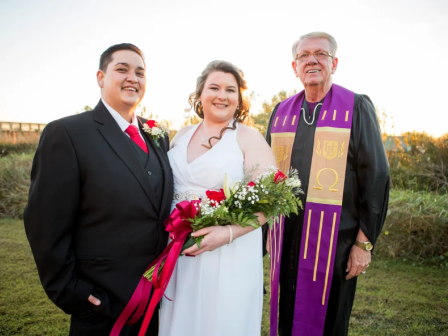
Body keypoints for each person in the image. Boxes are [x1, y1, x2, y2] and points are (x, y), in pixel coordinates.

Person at [24, 43, 173, 336]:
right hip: (102, 302)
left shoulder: (158, 135)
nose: (133, 78)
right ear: (100, 77)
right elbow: (45, 223)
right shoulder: (67, 133)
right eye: (122, 69)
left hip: (157, 300)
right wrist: (73, 292)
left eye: (140, 73)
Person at [265, 32, 390, 336]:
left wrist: (363, 243)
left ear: (334, 62)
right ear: (295, 67)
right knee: (287, 318)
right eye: (304, 55)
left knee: (330, 322)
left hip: (337, 244)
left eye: (320, 53)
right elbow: (265, 177)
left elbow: (376, 178)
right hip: (287, 240)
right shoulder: (281, 113)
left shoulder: (356, 107)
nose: (312, 60)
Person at [159, 60, 276, 336]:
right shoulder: (181, 134)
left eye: (230, 90)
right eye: (214, 87)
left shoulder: (249, 138)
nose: (222, 95)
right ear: (200, 95)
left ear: (239, 99)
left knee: (221, 322)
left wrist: (228, 233)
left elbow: (271, 200)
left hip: (228, 252)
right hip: (179, 250)